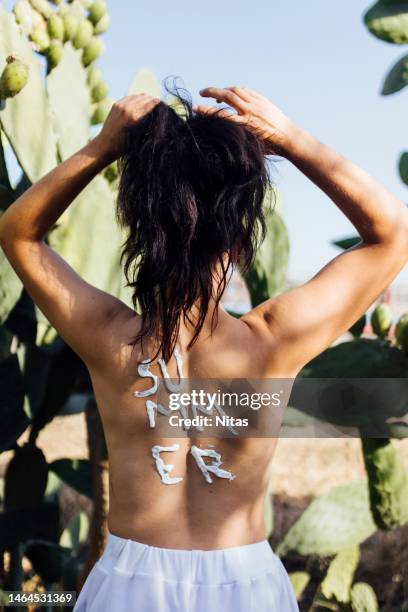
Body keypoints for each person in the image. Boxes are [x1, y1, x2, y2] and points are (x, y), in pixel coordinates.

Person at [1, 84, 407, 612]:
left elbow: (19, 233)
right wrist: (290, 139)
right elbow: (392, 232)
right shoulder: (272, 341)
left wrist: (102, 146)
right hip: (247, 584)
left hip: (130, 583)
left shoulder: (107, 337)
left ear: (141, 229)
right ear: (240, 242)